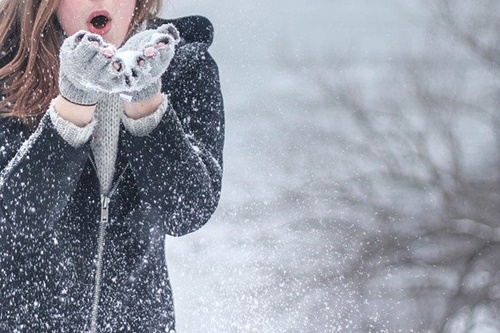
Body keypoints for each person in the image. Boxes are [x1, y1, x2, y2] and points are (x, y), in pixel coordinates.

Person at [0, 0, 224, 331]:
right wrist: (74, 103)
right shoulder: (9, 69)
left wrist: (146, 101)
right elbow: (14, 222)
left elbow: (185, 212)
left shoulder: (184, 67)